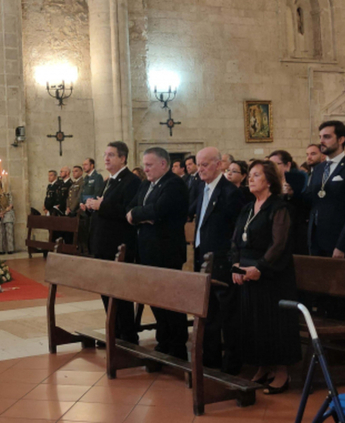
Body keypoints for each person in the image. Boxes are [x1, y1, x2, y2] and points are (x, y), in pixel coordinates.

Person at [228, 160, 300, 394]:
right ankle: (262, 366)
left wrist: (260, 267)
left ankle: (281, 372)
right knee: (254, 322)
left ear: (269, 180)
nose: (250, 179)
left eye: (256, 175)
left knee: (275, 323)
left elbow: (279, 244)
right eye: (250, 175)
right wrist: (236, 266)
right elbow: (235, 240)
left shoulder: (279, 207)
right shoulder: (248, 207)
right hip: (248, 273)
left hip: (273, 275)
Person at [127, 147, 190, 359]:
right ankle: (164, 340)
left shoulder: (174, 184)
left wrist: (141, 215)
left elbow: (159, 211)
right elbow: (132, 209)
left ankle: (178, 344)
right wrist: (142, 215)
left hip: (167, 251)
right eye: (144, 164)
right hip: (146, 250)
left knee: (170, 300)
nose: (145, 169)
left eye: (149, 165)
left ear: (163, 164)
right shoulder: (146, 184)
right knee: (154, 298)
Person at [190, 147, 245, 370]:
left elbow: (236, 231)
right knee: (208, 312)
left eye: (205, 165)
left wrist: (231, 260)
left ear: (219, 165)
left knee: (226, 314)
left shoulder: (231, 193)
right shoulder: (201, 188)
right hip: (203, 258)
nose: (200, 169)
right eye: (198, 165)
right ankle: (210, 360)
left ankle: (232, 363)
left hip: (221, 261)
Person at [82, 141, 142, 343]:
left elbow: (127, 211)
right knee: (107, 293)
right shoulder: (110, 180)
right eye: (105, 154)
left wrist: (102, 205)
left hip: (118, 247)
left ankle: (127, 335)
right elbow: (107, 207)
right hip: (103, 245)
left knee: (120, 294)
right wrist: (94, 205)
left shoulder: (131, 181)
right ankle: (114, 332)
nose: (106, 158)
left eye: (111, 155)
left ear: (123, 158)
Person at [304, 121, 345, 258]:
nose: (321, 141)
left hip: (337, 240)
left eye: (326, 137)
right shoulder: (319, 168)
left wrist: (342, 245)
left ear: (341, 139)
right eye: (320, 137)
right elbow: (312, 201)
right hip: (315, 239)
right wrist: (292, 193)